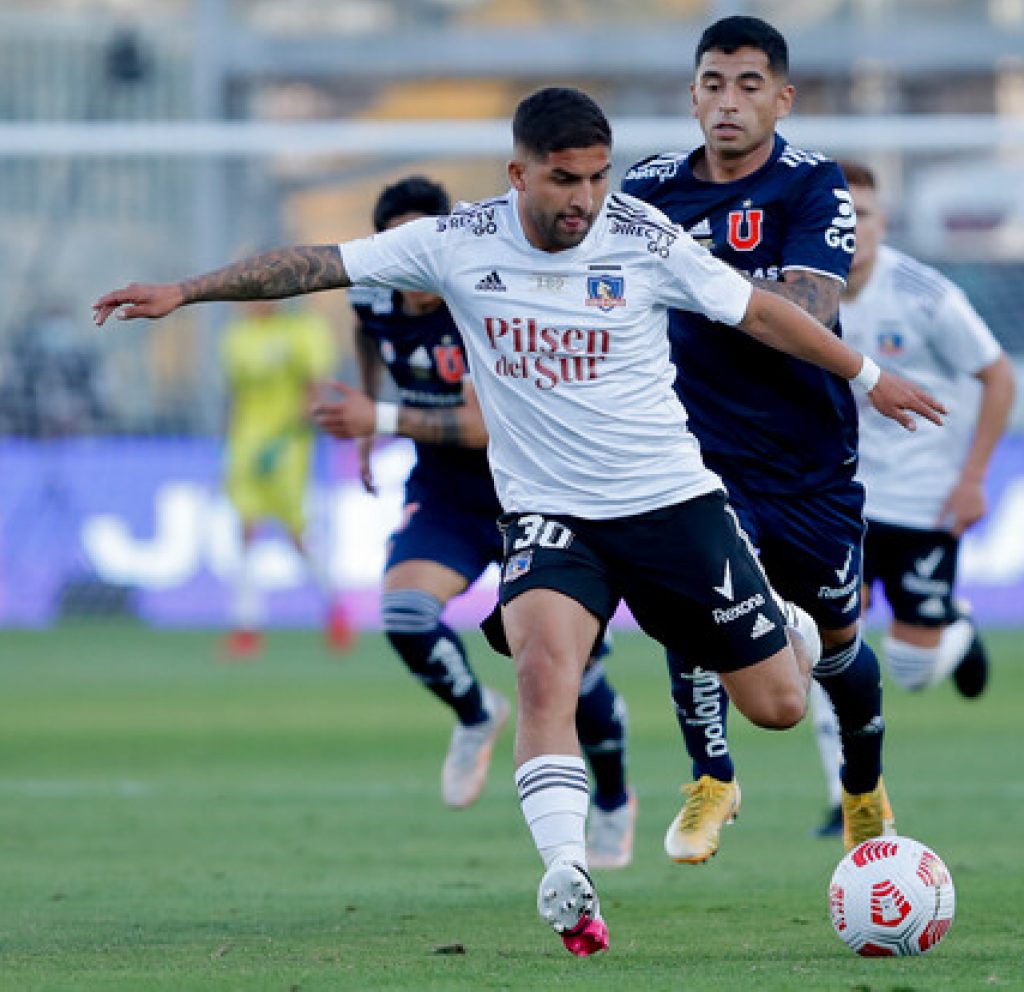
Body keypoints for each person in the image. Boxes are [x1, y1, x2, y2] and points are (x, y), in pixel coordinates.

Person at [93, 86, 943, 957]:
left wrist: (871, 378)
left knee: (777, 706)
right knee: (546, 672)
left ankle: (782, 627)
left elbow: (762, 311)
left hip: (670, 506)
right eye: (564, 178)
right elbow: (319, 262)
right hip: (549, 515)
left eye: (598, 178)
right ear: (519, 173)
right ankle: (567, 873)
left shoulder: (644, 239)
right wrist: (185, 292)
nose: (584, 197)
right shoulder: (456, 242)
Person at [622, 15, 894, 860]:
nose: (728, 102)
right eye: (712, 83)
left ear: (783, 98)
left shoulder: (814, 185)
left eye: (747, 86)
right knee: (693, 613)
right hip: (696, 452)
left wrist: (695, 275)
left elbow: (809, 307)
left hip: (810, 461)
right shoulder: (651, 189)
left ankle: (861, 786)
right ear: (692, 94)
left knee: (839, 649)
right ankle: (710, 778)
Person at [311, 176, 636, 861]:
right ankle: (475, 713)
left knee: (571, 679)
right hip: (449, 496)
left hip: (532, 494)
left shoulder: (481, 297)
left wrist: (382, 418)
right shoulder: (370, 292)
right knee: (403, 613)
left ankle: (612, 798)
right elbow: (369, 334)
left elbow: (485, 426)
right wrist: (370, 419)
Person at [808, 160, 1016, 835]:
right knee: (823, 644)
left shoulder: (925, 295)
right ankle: (848, 798)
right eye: (841, 216)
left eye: (863, 215)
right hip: (838, 500)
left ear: (881, 222)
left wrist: (971, 479)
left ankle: (953, 628)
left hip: (924, 500)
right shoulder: (802, 290)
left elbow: (997, 378)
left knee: (912, 669)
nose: (853, 228)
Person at [220, 299, 354, 657]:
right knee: (245, 528)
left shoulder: (302, 331)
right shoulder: (237, 336)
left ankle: (335, 607)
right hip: (246, 444)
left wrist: (286, 436)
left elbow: (314, 389)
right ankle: (246, 625)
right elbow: (236, 395)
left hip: (288, 447)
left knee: (297, 534)